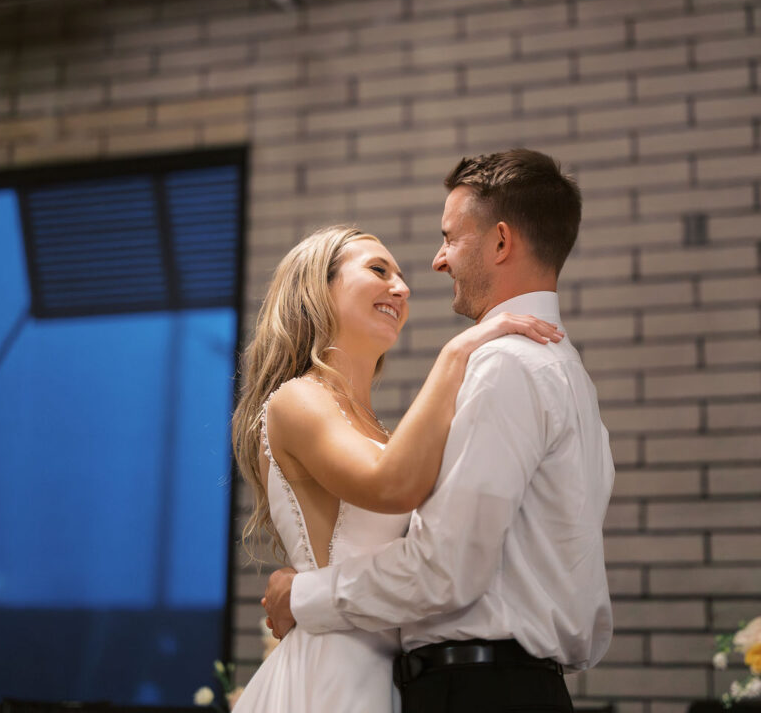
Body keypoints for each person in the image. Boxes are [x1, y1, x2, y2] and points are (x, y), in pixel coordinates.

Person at [263, 149, 615, 713]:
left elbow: (446, 569)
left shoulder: (506, 365)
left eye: (450, 237)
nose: (433, 264)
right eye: (380, 270)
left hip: (477, 686)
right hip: (442, 679)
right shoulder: (566, 372)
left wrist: (299, 595)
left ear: (501, 243)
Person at [231, 222, 563, 713]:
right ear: (317, 290)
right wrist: (457, 352)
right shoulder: (297, 398)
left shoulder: (379, 432)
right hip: (334, 675)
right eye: (379, 270)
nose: (402, 288)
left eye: (401, 276)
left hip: (395, 675)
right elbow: (390, 484)